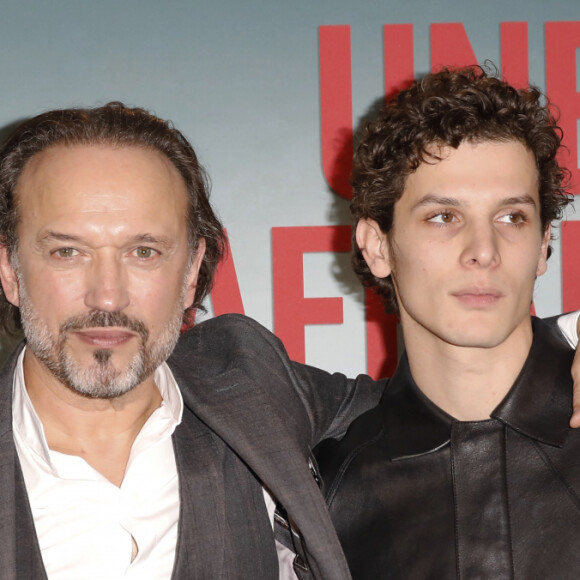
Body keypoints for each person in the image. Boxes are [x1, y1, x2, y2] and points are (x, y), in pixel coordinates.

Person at [0, 103, 384, 579]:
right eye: (68, 252)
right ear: (10, 270)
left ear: (191, 272)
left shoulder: (249, 381)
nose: (107, 294)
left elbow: (442, 410)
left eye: (144, 252)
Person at [315, 66, 580, 579]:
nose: (483, 252)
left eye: (511, 218)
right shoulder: (322, 495)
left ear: (544, 243)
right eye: (443, 217)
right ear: (377, 246)